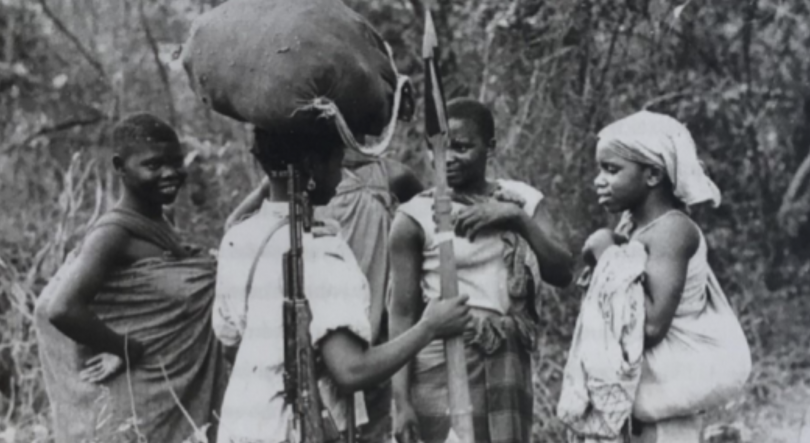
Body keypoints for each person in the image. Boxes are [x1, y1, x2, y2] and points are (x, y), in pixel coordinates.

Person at [212, 128, 471, 443]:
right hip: (295, 430)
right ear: (312, 166)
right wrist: (430, 327)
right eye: (337, 163)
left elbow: (229, 345)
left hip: (242, 422)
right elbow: (350, 371)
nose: (341, 177)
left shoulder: (238, 238)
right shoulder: (322, 252)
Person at [389, 98, 575, 443]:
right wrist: (400, 402)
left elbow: (562, 271)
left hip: (505, 363)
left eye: (461, 147)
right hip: (439, 365)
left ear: (490, 147)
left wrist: (514, 218)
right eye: (438, 148)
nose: (447, 159)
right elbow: (401, 314)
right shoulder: (414, 217)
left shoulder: (521, 200)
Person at [34, 113, 227, 443]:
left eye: (176, 162)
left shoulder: (158, 222)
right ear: (120, 167)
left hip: (164, 394)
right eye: (153, 165)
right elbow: (62, 308)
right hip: (137, 399)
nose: (169, 173)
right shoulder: (113, 234)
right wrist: (125, 348)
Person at [583, 110, 749, 442]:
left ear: (653, 175)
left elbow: (652, 326)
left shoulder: (671, 230)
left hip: (668, 397)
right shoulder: (634, 227)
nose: (599, 180)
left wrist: (605, 253)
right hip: (649, 397)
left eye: (612, 170)